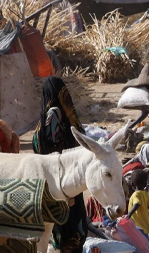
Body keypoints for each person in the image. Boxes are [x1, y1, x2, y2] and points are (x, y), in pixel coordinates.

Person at [32, 77, 88, 251]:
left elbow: (51, 151)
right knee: (72, 226)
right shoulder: (68, 117)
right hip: (70, 181)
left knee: (64, 227)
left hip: (58, 182)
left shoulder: (53, 116)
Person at [128, 169, 149, 234]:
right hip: (145, 226)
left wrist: (129, 215)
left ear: (132, 184)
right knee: (146, 239)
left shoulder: (135, 195)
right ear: (145, 184)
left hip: (137, 227)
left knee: (139, 241)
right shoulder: (146, 194)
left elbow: (137, 204)